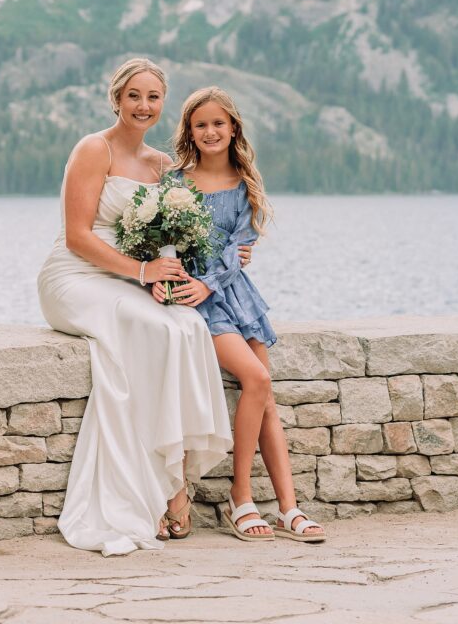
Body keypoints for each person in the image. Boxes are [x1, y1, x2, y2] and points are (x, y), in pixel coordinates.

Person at [37, 58, 233, 555]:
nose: (143, 106)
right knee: (158, 330)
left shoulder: (162, 166)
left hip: (132, 278)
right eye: (134, 96)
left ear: (162, 104)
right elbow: (78, 236)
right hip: (76, 276)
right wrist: (143, 273)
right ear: (117, 99)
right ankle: (167, 491)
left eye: (153, 97)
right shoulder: (92, 149)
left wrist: (229, 253)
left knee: (187, 325)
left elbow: (183, 230)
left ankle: (175, 474)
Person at [165, 86, 326, 543]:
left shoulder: (245, 182)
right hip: (197, 302)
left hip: (234, 295)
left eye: (219, 123)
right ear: (190, 133)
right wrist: (189, 283)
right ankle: (241, 496)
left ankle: (290, 508)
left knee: (266, 397)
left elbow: (240, 247)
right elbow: (167, 243)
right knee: (256, 380)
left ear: (233, 127)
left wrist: (211, 279)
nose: (211, 131)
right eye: (201, 125)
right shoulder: (175, 183)